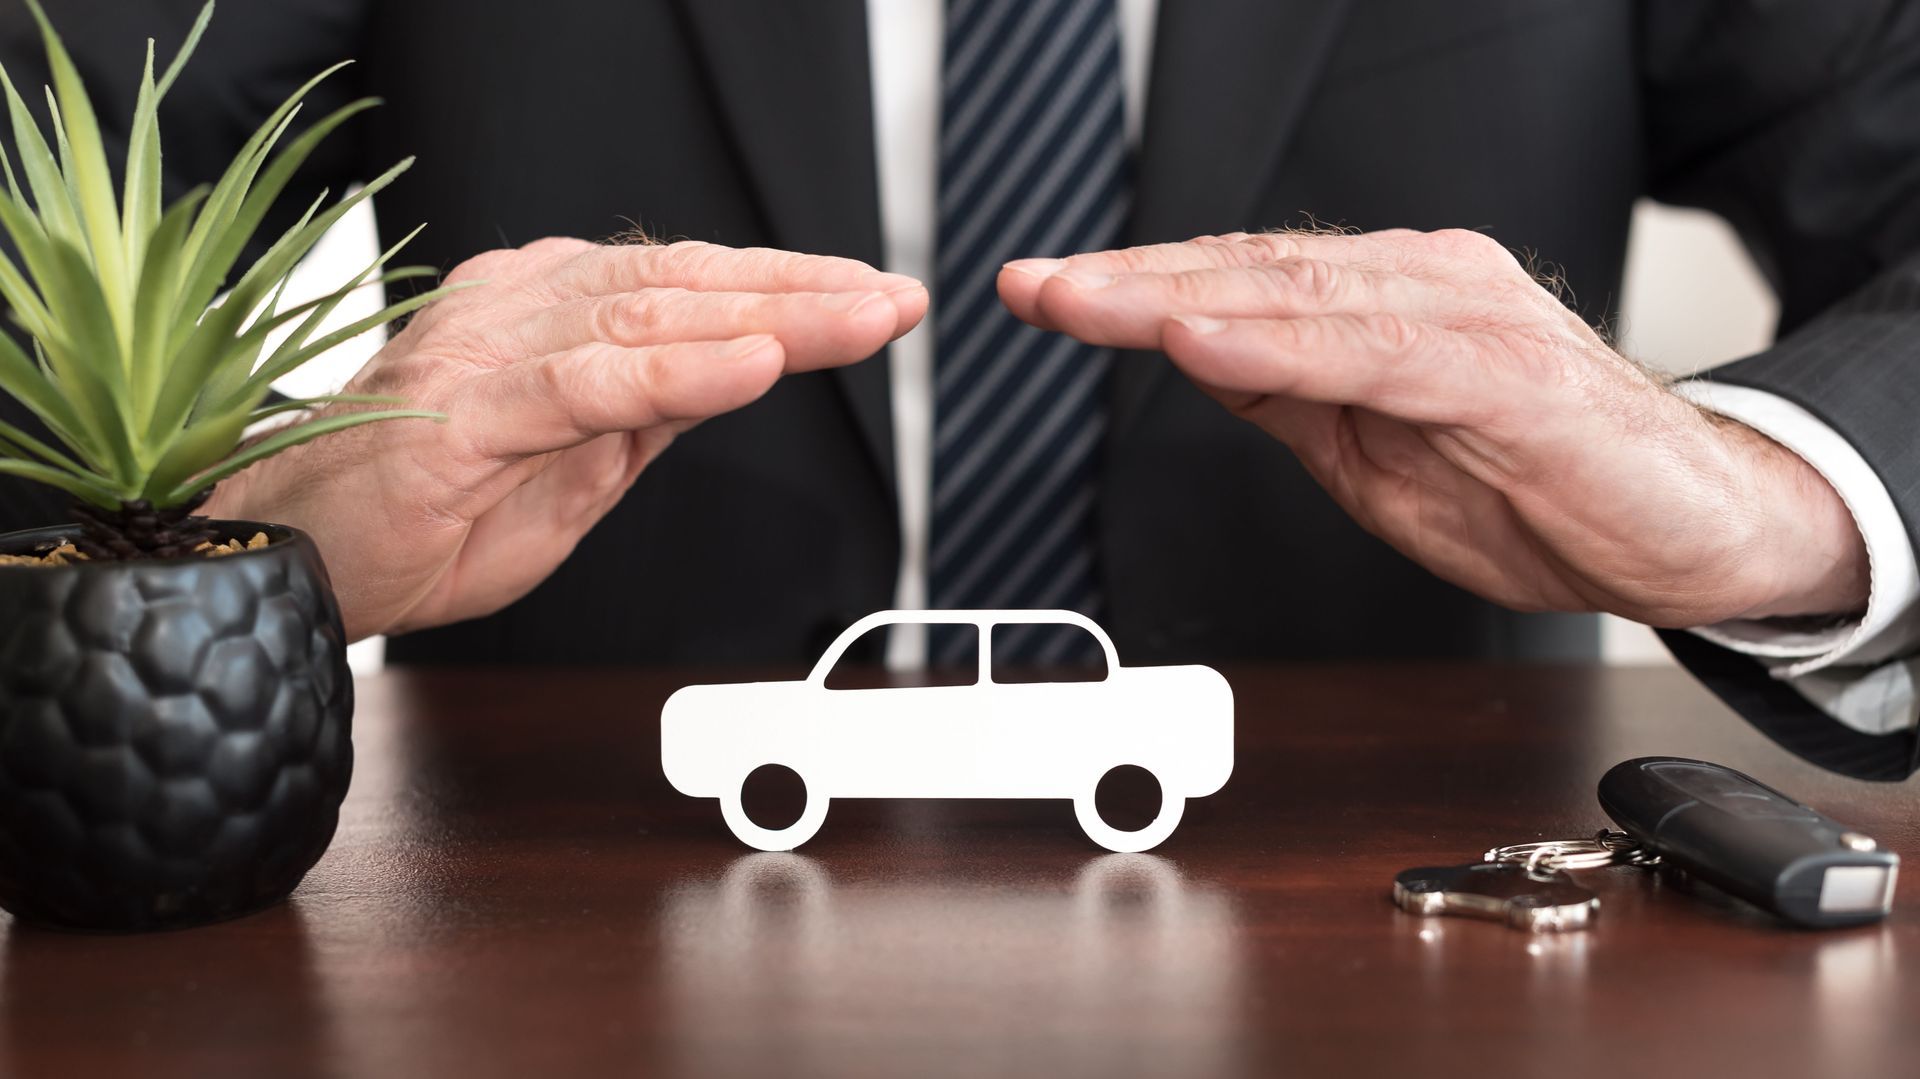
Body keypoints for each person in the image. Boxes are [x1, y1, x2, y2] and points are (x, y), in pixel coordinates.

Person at [1, 1, 1915, 778]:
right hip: (557, 952)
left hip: (1417, 950)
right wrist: (207, 556)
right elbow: (35, 161)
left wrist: (1767, 492)